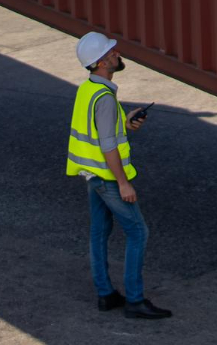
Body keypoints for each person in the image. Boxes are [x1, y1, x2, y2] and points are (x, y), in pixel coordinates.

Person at [65, 31, 172, 319]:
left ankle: (105, 295)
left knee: (99, 232)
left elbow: (100, 132)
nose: (117, 54)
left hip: (91, 174)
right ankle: (135, 301)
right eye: (111, 53)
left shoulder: (88, 89)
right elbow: (108, 145)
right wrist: (123, 182)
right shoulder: (106, 99)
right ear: (100, 63)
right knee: (138, 232)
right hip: (108, 178)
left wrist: (124, 122)